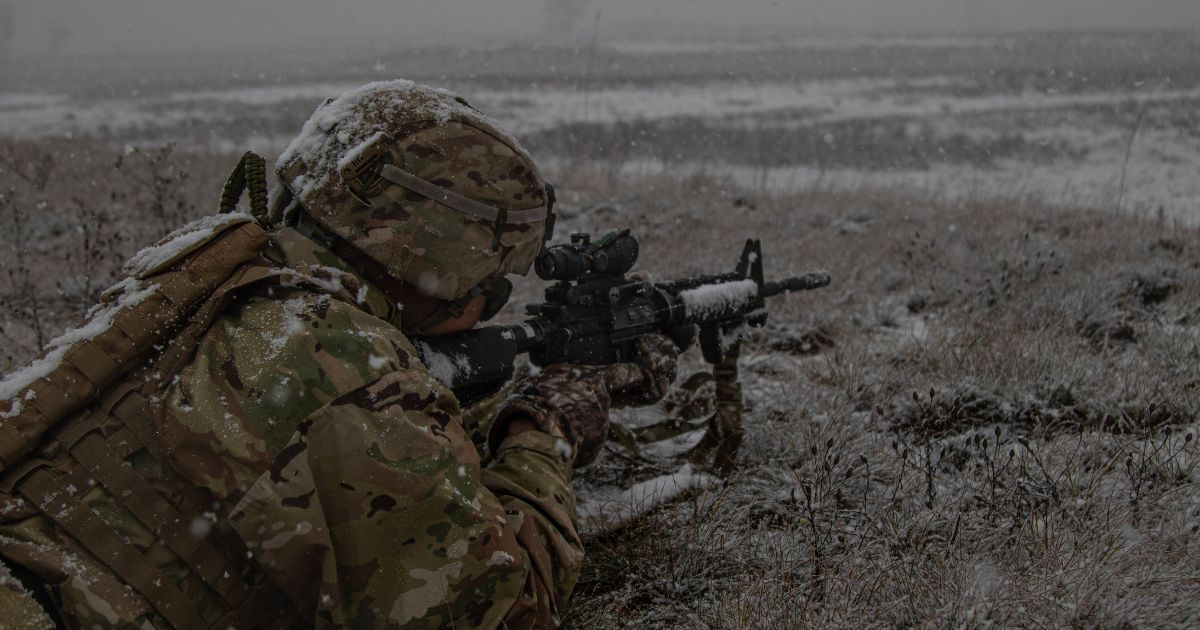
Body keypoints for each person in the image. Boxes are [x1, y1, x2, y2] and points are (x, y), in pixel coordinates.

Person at [0, 80, 677, 628]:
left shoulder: (223, 270)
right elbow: (498, 610)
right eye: (490, 287)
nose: (489, 302)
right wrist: (547, 430)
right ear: (433, 260)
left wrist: (476, 415)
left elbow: (313, 452)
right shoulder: (347, 372)